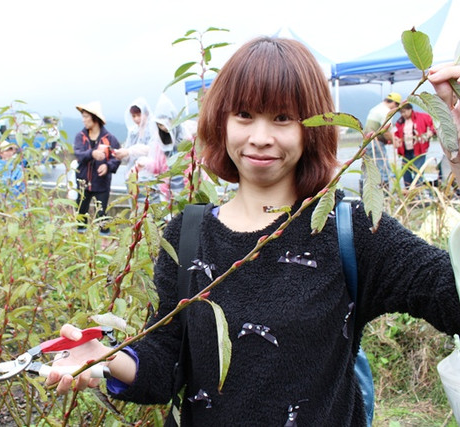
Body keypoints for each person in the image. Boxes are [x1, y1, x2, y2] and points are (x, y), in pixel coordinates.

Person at [47, 39, 460, 425]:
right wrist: (104, 359)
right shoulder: (187, 234)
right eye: (244, 115)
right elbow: (167, 362)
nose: (260, 138)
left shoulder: (350, 231)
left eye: (282, 117)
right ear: (222, 120)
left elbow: (451, 295)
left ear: (312, 126)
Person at [73, 101, 121, 234]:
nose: (84, 120)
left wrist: (107, 166)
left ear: (95, 118)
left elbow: (117, 157)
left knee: (102, 215)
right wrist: (91, 153)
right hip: (83, 183)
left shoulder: (109, 138)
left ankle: (105, 243)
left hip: (101, 183)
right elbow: (78, 153)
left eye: (86, 117)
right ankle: (81, 241)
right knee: (81, 213)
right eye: (83, 117)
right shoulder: (80, 137)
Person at [392, 103, 436, 188]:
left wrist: (431, 132)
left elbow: (433, 124)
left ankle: (417, 191)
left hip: (419, 149)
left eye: (404, 112)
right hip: (405, 151)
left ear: (410, 109)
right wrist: (394, 140)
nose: (403, 114)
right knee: (405, 171)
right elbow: (396, 133)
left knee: (418, 171)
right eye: (401, 112)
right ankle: (408, 190)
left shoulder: (423, 117)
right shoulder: (400, 121)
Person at [363, 92, 402, 188]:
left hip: (365, 143)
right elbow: (386, 132)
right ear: (394, 104)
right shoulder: (386, 112)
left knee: (367, 170)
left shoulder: (376, 108)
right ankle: (385, 196)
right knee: (383, 169)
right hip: (375, 144)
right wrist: (395, 142)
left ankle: (364, 194)